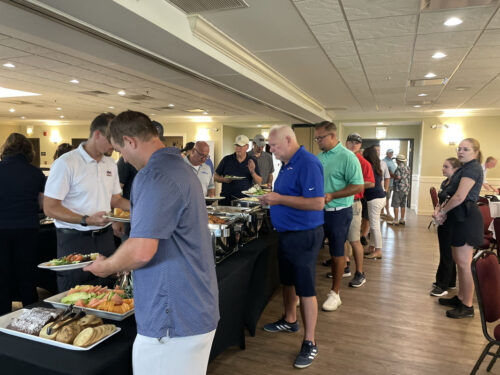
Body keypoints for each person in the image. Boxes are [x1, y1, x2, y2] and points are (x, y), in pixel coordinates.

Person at [85, 110, 219, 374]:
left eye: (121, 150)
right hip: (193, 305)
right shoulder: (181, 167)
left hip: (172, 314)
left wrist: (107, 266)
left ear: (130, 141)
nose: (123, 157)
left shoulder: (153, 175)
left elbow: (143, 250)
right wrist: (126, 259)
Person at [259, 125, 324, 369]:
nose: (271, 150)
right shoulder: (286, 163)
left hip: (304, 235)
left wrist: (278, 199)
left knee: (305, 288)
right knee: (287, 281)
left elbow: (317, 203)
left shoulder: (307, 163)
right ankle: (290, 319)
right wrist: (272, 198)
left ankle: (310, 341)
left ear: (288, 140)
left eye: (274, 146)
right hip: (286, 234)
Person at [43, 113, 130, 292]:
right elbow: (50, 208)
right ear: (97, 134)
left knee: (105, 293)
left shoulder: (110, 164)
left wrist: (141, 209)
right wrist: (86, 219)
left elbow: (115, 199)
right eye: (111, 139)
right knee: (75, 294)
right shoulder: (66, 163)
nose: (115, 145)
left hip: (105, 238)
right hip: (75, 240)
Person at [315, 121, 363, 312]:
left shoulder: (348, 157)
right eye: (316, 138)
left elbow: (358, 186)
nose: (318, 141)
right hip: (318, 211)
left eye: (321, 138)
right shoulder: (320, 157)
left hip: (339, 213)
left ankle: (335, 294)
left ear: (333, 136)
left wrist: (332, 195)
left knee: (337, 253)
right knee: (313, 251)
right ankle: (306, 292)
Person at [433, 138, 484, 319]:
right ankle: (461, 297)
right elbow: (450, 194)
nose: (461, 151)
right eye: (459, 148)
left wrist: (442, 212)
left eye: (466, 149)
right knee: (458, 260)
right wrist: (442, 210)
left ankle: (467, 305)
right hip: (458, 218)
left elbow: (460, 196)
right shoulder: (464, 168)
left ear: (475, 152)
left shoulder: (473, 168)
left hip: (467, 218)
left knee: (464, 264)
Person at [0, 133, 45, 315]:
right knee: (27, 275)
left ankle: (2, 318)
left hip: (1, 230)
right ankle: (30, 316)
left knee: (2, 276)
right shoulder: (36, 173)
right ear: (28, 150)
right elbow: (43, 205)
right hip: (28, 229)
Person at [343, 133, 374, 288]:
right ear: (346, 143)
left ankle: (360, 273)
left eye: (357, 143)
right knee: (340, 239)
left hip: (354, 203)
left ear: (360, 145)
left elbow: (371, 183)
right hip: (339, 202)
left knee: (354, 240)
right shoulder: (341, 159)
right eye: (351, 142)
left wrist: (355, 184)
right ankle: (345, 266)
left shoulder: (364, 163)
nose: (353, 145)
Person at [430, 157, 461, 297]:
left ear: (455, 169)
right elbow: (441, 201)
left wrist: (441, 212)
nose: (443, 169)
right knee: (445, 251)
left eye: (446, 167)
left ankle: (443, 285)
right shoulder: (445, 182)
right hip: (443, 220)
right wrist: (437, 210)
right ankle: (450, 281)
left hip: (451, 221)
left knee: (447, 253)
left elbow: (452, 202)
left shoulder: (456, 184)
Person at [214, 135, 261, 205]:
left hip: (245, 201)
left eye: (240, 146)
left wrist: (253, 172)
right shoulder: (226, 159)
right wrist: (224, 180)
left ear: (247, 147)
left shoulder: (252, 161)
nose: (237, 149)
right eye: (236, 146)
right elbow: (215, 176)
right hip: (226, 200)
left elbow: (259, 182)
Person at [363, 146, 387, 260]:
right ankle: (372, 247)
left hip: (374, 199)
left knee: (374, 225)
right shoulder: (376, 166)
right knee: (374, 224)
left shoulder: (369, 167)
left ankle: (378, 250)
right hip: (380, 197)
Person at [389, 154, 411, 225]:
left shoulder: (399, 168)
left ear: (398, 160)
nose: (395, 161)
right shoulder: (407, 167)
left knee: (396, 204)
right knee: (403, 204)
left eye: (396, 160)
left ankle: (396, 220)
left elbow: (398, 177)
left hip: (399, 189)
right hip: (406, 189)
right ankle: (402, 219)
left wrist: (391, 174)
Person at [383, 149, 397, 220]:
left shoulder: (391, 160)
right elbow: (387, 173)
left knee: (387, 198)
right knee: (386, 199)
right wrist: (395, 176)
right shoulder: (384, 161)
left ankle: (383, 213)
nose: (391, 154)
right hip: (387, 183)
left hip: (392, 183)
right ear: (387, 153)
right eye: (390, 153)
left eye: (392, 152)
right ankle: (388, 213)